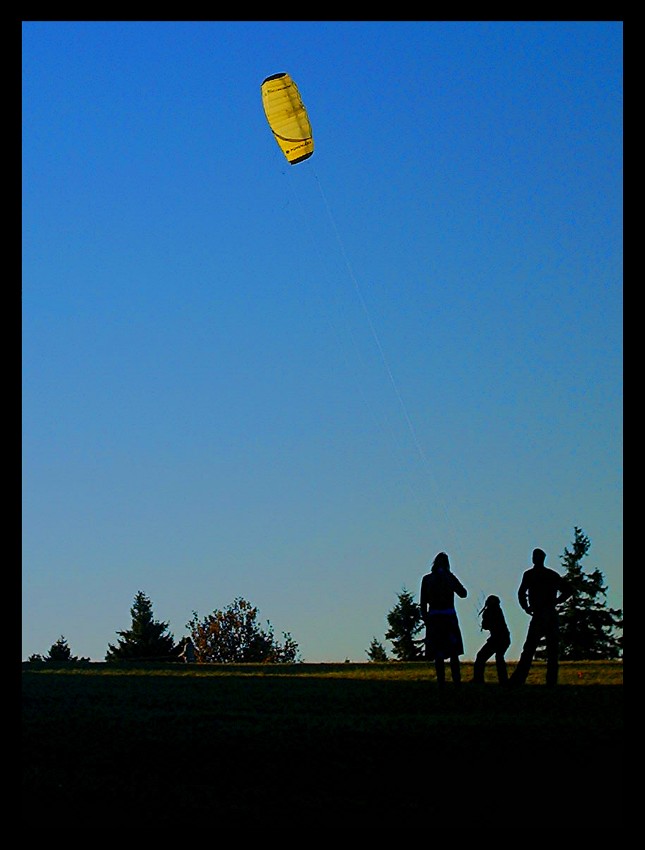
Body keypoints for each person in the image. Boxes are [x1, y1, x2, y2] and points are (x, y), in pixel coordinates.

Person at [509, 548, 572, 687]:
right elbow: (568, 590)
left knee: (532, 648)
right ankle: (550, 681)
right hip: (548, 613)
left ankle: (520, 679)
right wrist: (556, 601)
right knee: (550, 649)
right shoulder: (550, 575)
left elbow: (521, 593)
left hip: (541, 614)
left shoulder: (531, 574)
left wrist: (526, 607)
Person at [420, 552, 468, 686]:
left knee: (438, 652)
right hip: (449, 616)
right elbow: (463, 593)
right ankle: (456, 679)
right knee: (453, 651)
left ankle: (441, 681)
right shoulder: (449, 578)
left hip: (434, 617)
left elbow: (423, 602)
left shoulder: (427, 579)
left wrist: (426, 618)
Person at [472, 595, 510, 684]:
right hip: (504, 638)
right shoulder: (498, 611)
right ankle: (503, 680)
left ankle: (478, 679)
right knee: (499, 658)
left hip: (496, 639)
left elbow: (486, 626)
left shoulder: (490, 612)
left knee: (481, 657)